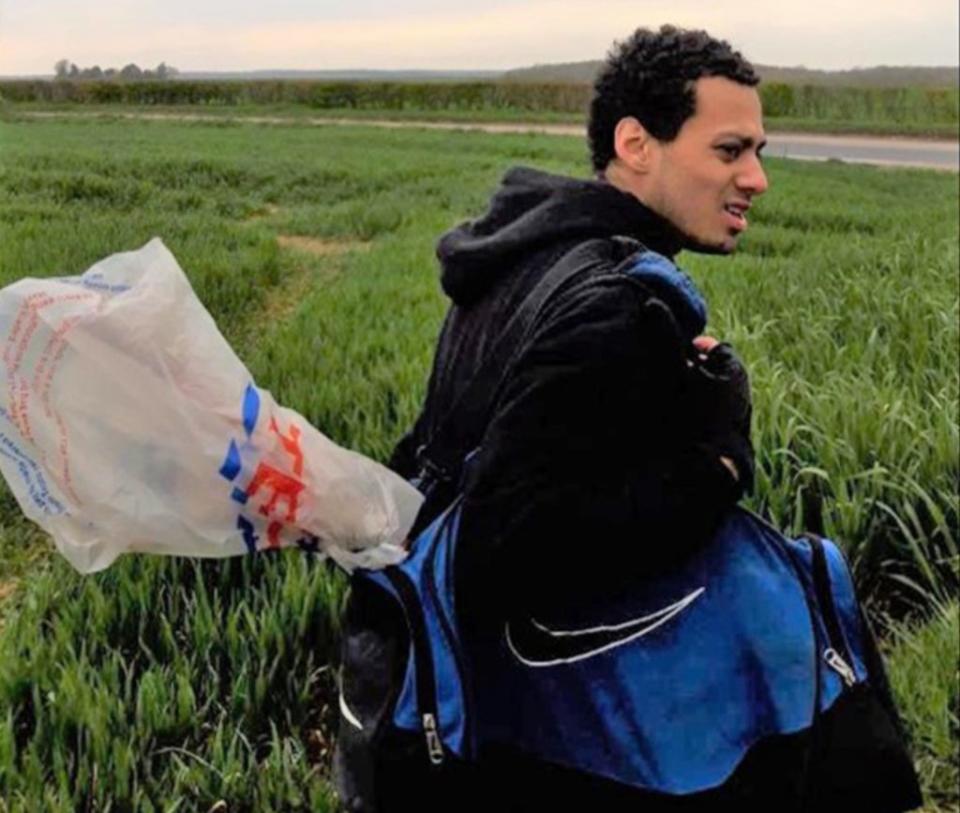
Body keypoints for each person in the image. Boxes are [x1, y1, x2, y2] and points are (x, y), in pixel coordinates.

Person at [334, 25, 922, 813]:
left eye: (760, 151)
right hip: (560, 736)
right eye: (729, 150)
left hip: (473, 704)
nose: (757, 178)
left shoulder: (522, 259)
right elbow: (510, 544)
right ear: (637, 144)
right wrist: (716, 454)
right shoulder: (613, 301)